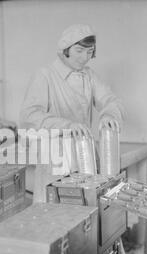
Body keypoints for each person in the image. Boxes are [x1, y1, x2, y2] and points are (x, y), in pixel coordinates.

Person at [20, 24, 125, 202]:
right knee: (55, 213)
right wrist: (67, 126)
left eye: (90, 52)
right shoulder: (45, 75)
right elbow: (29, 117)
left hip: (85, 158)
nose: (84, 57)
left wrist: (109, 114)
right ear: (65, 49)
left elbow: (111, 100)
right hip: (55, 161)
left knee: (84, 216)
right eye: (79, 51)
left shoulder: (89, 76)